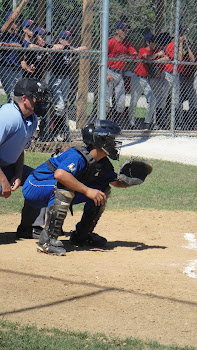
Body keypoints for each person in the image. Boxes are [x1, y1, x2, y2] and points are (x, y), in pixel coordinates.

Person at [22, 119, 131, 256]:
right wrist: (87, 190)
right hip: (34, 187)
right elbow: (60, 174)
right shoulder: (77, 156)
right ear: (100, 140)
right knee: (65, 189)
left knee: (102, 190)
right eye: (111, 139)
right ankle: (47, 241)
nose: (114, 143)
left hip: (51, 188)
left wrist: (131, 180)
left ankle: (82, 235)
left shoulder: (103, 163)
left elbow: (115, 182)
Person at [0, 78, 51, 238]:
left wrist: (18, 173)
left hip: (8, 166)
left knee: (42, 180)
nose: (41, 102)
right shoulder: (8, 116)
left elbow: (20, 148)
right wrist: (3, 180)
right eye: (37, 97)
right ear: (24, 99)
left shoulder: (31, 118)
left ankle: (30, 227)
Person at [49, 29, 87, 141]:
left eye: (70, 38)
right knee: (59, 107)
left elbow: (82, 49)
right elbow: (55, 47)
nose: (69, 40)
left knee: (63, 106)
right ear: (61, 39)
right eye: (66, 38)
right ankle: (56, 132)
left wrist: (75, 49)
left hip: (66, 80)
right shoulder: (58, 47)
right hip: (56, 79)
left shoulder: (69, 50)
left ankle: (61, 132)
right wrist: (68, 48)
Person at [129, 32, 165, 130]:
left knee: (152, 100)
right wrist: (157, 55)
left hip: (145, 80)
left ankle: (147, 123)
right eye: (153, 42)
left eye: (155, 42)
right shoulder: (142, 50)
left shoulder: (154, 51)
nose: (155, 44)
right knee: (134, 101)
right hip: (137, 78)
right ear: (147, 42)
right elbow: (146, 57)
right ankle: (131, 123)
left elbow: (165, 56)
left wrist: (160, 56)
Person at [106, 21, 138, 127]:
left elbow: (135, 55)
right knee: (107, 101)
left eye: (126, 30)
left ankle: (115, 123)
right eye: (123, 30)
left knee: (121, 102)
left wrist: (127, 57)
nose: (125, 32)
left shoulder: (126, 43)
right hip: (109, 71)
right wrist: (106, 74)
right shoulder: (110, 42)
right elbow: (103, 59)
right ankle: (106, 123)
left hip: (119, 74)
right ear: (117, 31)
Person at [0, 0, 28, 101]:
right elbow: (11, 19)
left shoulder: (18, 37)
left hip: (17, 70)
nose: (18, 23)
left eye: (19, 21)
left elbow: (23, 53)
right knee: (13, 97)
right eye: (16, 21)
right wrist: (22, 3)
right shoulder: (2, 32)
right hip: (6, 68)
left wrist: (24, 62)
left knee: (17, 97)